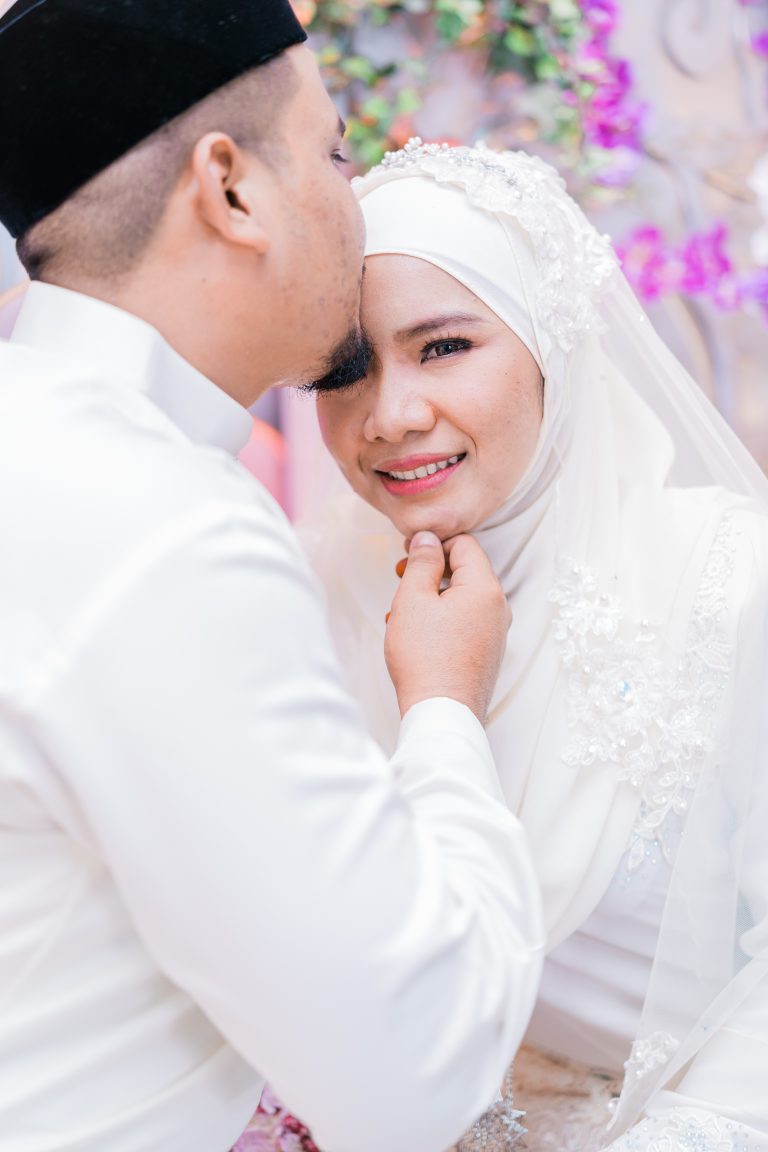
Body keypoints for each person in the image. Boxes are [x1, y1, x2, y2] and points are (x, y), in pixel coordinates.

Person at [0, 7, 546, 1152]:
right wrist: (445, 710)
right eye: (336, 153)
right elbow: (415, 1071)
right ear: (232, 189)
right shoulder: (159, 524)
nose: (356, 198)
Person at [299, 140, 768, 1151]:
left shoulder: (732, 581)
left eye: (443, 347)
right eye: (345, 369)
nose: (391, 416)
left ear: (552, 343)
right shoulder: (309, 608)